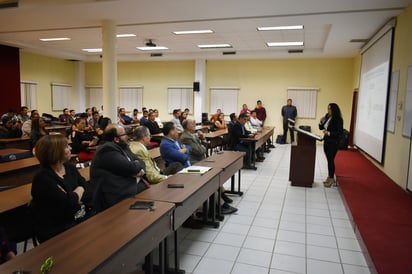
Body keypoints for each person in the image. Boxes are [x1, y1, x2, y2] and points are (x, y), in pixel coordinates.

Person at [30, 135, 91, 242]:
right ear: (55, 151)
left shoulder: (70, 167)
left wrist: (75, 194)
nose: (71, 148)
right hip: (59, 228)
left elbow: (88, 191)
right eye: (67, 146)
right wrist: (80, 189)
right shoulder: (42, 178)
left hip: (81, 217)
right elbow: (68, 203)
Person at [91, 124, 148, 211]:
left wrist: (137, 168)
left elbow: (141, 162)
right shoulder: (106, 150)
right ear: (116, 139)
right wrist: (136, 168)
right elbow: (130, 168)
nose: (127, 137)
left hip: (129, 186)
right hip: (115, 194)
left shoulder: (123, 146)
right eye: (124, 135)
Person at [319, 103, 343, 187]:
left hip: (333, 142)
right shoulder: (327, 116)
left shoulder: (338, 119)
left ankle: (332, 178)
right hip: (326, 141)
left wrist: (329, 133)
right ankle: (329, 176)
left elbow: (340, 133)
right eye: (328, 108)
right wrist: (321, 122)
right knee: (328, 160)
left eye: (330, 109)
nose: (328, 110)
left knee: (330, 160)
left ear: (334, 110)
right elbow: (321, 127)